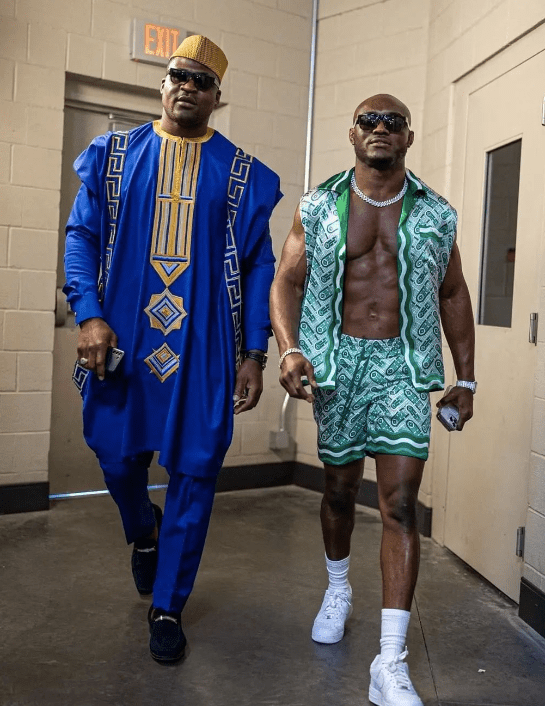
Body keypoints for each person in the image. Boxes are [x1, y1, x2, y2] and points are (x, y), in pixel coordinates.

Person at [64, 35, 282, 664]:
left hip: (206, 353)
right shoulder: (112, 157)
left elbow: (259, 267)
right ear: (162, 85)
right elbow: (81, 235)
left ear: (218, 96)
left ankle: (168, 606)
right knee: (113, 456)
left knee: (195, 475)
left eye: (202, 80)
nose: (187, 86)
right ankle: (142, 531)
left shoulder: (242, 176)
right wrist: (89, 315)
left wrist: (254, 353)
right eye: (177, 75)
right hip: (123, 344)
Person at [270, 94, 475, 706]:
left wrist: (465, 381)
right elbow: (285, 279)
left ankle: (390, 663)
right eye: (369, 122)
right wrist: (288, 349)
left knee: (399, 505)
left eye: (393, 123)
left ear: (408, 138)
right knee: (336, 492)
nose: (380, 130)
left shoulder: (437, 215)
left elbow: (456, 293)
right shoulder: (319, 207)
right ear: (352, 134)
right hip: (339, 364)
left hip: (404, 368)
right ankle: (338, 586)